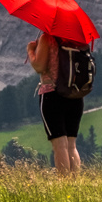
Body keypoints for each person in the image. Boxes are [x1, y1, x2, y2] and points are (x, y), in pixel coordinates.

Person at [27, 33, 83, 173]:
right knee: (71, 145)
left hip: (52, 94)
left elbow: (39, 66)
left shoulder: (47, 38)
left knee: (59, 145)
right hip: (75, 95)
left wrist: (30, 50)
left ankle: (64, 185)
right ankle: (75, 185)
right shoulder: (75, 37)